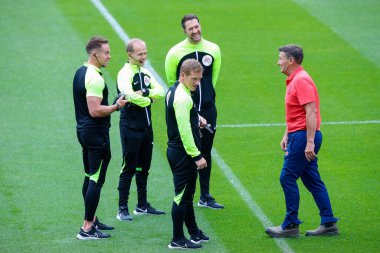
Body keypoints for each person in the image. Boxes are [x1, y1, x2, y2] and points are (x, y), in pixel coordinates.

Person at [265, 44, 339, 238]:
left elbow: (311, 111)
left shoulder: (302, 80)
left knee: (287, 177)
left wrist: (309, 142)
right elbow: (296, 112)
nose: (278, 62)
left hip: (304, 137)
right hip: (297, 134)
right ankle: (329, 222)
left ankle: (290, 226)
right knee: (312, 179)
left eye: (280, 58)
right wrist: (286, 133)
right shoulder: (294, 80)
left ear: (291, 60)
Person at [165, 14, 223, 209]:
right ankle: (184, 195)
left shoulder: (213, 49)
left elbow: (211, 80)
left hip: (208, 109)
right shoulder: (175, 53)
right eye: (190, 28)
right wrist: (191, 107)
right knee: (188, 152)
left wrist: (206, 100)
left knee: (206, 151)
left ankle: (204, 195)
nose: (195, 31)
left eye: (197, 26)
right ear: (184, 31)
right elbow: (173, 81)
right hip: (187, 110)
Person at [73, 36, 128, 240]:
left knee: (89, 176)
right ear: (94, 53)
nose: (110, 56)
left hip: (84, 131)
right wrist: (116, 106)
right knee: (96, 179)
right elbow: (95, 111)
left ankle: (92, 218)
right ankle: (87, 228)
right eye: (106, 52)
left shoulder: (81, 71)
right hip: (96, 134)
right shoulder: (95, 78)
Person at [116, 38, 165, 221]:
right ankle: (122, 208)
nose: (144, 57)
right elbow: (127, 95)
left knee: (144, 167)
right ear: (130, 55)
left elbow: (160, 91)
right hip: (130, 128)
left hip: (146, 128)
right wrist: (148, 99)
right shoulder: (124, 73)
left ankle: (142, 205)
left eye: (145, 53)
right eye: (140, 54)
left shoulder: (145, 72)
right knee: (128, 167)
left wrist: (144, 94)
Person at [166, 59, 210, 249]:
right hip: (183, 153)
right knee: (181, 197)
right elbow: (184, 130)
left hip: (177, 151)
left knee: (188, 195)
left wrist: (197, 118)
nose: (197, 83)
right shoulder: (183, 98)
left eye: (199, 79)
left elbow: (183, 118)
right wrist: (197, 156)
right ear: (182, 75)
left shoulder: (175, 89)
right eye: (194, 79)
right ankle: (177, 239)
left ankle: (194, 233)